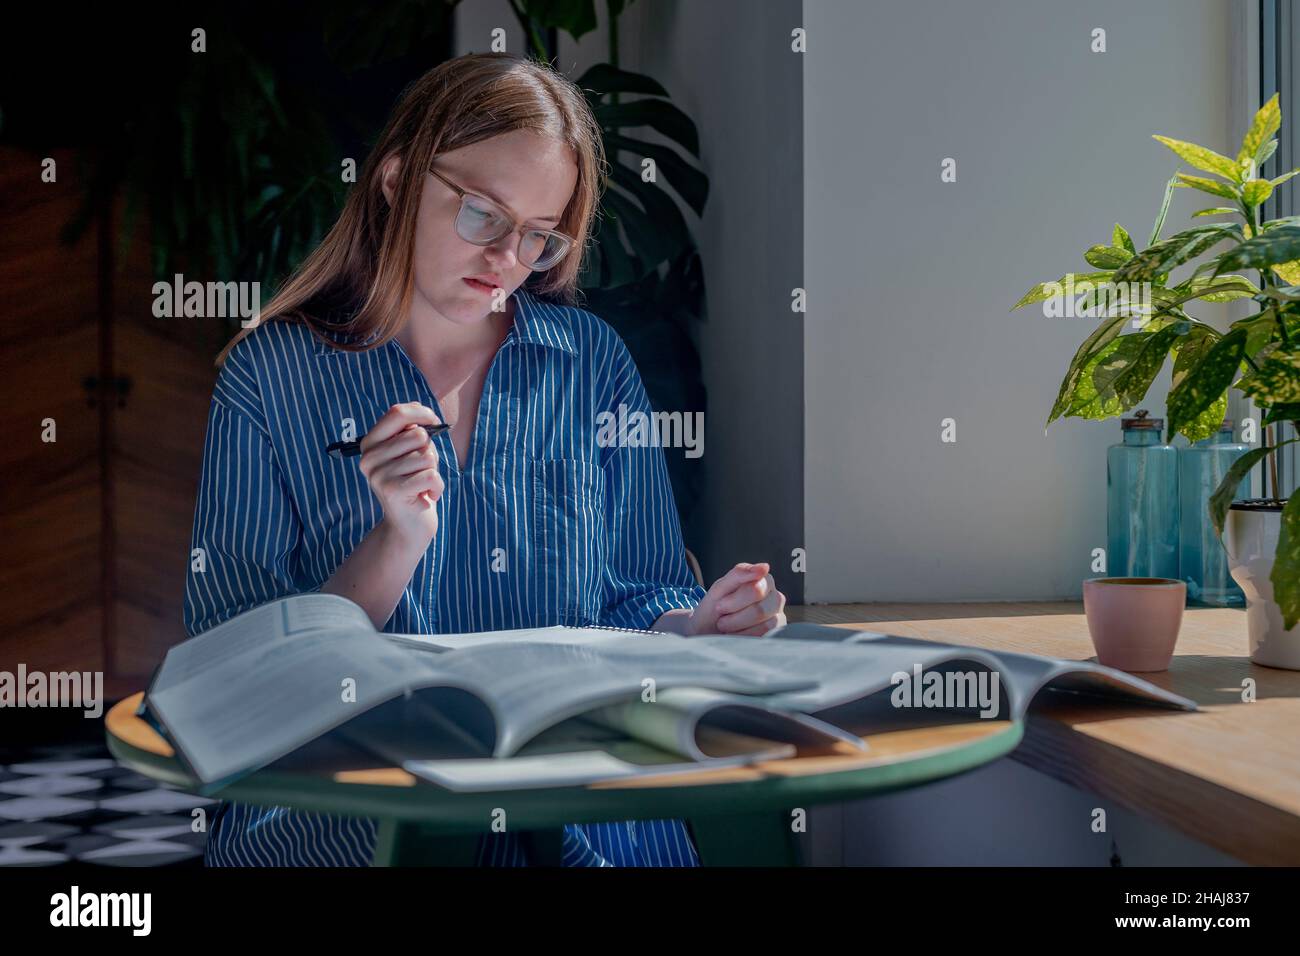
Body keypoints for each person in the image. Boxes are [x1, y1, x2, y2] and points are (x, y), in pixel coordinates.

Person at [183, 51, 787, 867]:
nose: (507, 259)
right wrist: (392, 542)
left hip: (589, 817)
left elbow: (641, 593)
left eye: (540, 235)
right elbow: (242, 675)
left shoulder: (592, 364)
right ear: (396, 180)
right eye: (482, 214)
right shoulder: (269, 380)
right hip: (353, 825)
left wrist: (697, 625)